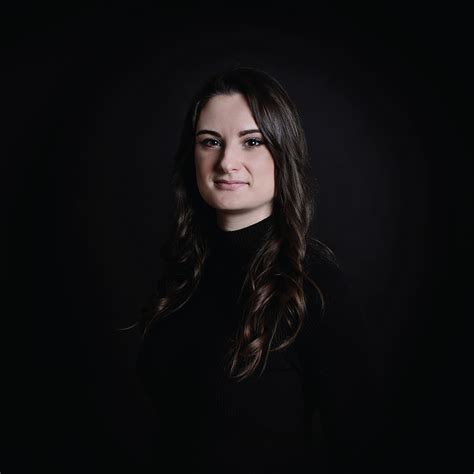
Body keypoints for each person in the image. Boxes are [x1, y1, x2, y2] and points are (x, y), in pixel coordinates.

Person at [133, 66, 379, 473]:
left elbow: (362, 445)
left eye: (252, 142)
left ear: (283, 152)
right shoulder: (184, 275)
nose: (227, 161)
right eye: (210, 141)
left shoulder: (314, 286)